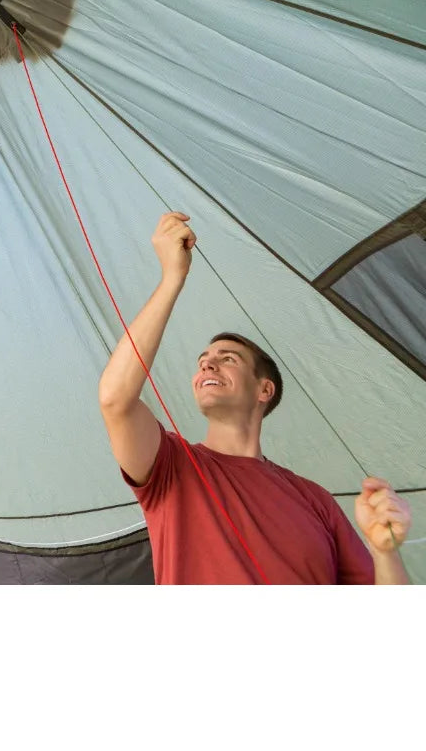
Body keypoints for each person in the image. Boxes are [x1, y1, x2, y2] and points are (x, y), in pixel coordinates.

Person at [98, 211, 413, 585]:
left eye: (226, 359)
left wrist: (384, 551)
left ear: (265, 390)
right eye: (203, 362)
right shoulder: (171, 465)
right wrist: (172, 279)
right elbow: (115, 400)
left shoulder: (315, 500)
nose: (208, 367)